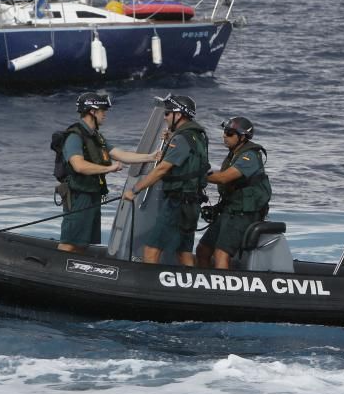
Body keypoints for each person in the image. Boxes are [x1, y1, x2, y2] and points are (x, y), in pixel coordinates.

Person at [58, 92, 158, 253]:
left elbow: (121, 154)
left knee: (83, 242)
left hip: (93, 195)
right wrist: (109, 168)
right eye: (102, 110)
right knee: (70, 241)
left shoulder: (97, 137)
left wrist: (150, 157)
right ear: (92, 111)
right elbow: (79, 165)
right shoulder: (75, 136)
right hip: (79, 196)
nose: (105, 114)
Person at [122, 94, 208, 266]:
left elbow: (161, 169)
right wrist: (171, 141)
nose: (165, 117)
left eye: (168, 113)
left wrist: (134, 190)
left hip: (177, 204)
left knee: (151, 249)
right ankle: (188, 288)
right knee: (183, 251)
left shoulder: (182, 138)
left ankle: (147, 290)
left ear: (179, 114)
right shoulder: (197, 136)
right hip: (191, 204)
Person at [196, 116, 273, 269]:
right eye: (225, 132)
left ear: (242, 137)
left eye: (230, 133)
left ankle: (222, 291)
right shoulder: (234, 153)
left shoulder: (249, 155)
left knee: (221, 254)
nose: (225, 135)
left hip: (243, 214)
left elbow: (224, 177)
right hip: (230, 210)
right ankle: (206, 286)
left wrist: (195, 174)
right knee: (203, 250)